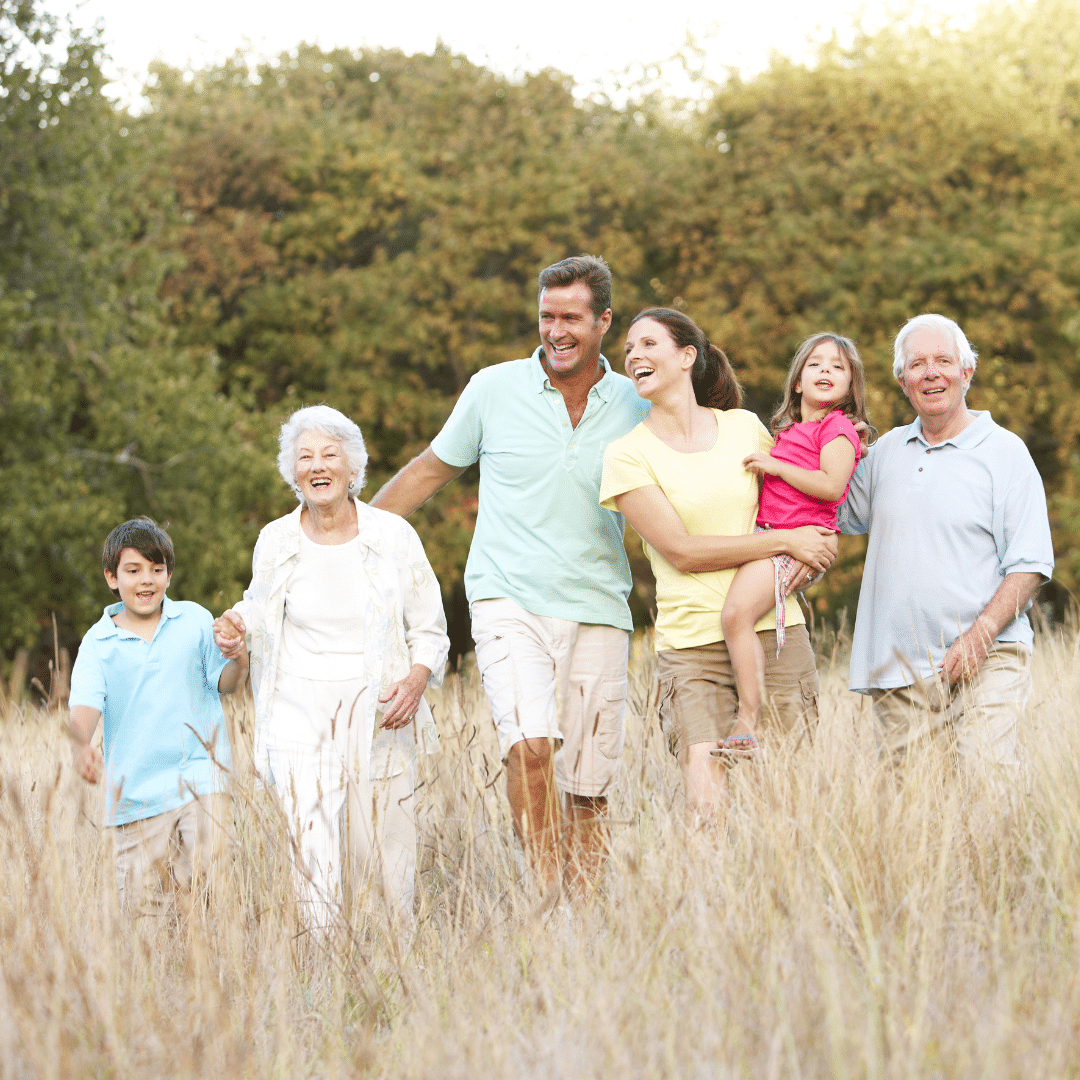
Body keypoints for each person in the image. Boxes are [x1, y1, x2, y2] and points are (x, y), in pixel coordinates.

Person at [370, 255, 649, 893]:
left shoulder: (637, 400)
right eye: (547, 316)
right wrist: (346, 536)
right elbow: (429, 471)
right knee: (528, 748)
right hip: (507, 599)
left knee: (588, 783)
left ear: (604, 321)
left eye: (572, 318)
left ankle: (584, 913)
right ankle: (547, 897)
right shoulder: (493, 388)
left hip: (600, 604)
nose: (556, 331)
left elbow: (696, 449)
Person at [213, 405, 449, 929]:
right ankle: (321, 966)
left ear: (352, 467)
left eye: (329, 454)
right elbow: (260, 603)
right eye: (304, 457)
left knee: (385, 856)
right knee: (312, 855)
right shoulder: (276, 539)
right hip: (299, 714)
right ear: (292, 472)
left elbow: (430, 630)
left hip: (379, 713)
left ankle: (395, 962)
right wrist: (235, 623)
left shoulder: (392, 536)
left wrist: (415, 681)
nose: (317, 465)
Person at [599, 308, 838, 818]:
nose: (633, 355)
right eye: (628, 351)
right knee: (708, 814)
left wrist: (815, 548)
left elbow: (795, 509)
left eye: (647, 344)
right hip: (692, 649)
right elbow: (682, 551)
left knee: (790, 811)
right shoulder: (626, 455)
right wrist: (786, 543)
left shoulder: (745, 429)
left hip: (777, 634)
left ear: (687, 356)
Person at [838, 313, 1054, 783]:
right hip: (899, 671)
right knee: (914, 814)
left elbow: (1030, 565)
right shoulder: (884, 454)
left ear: (967, 372)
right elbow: (833, 513)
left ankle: (999, 860)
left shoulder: (1005, 452)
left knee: (988, 778)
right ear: (902, 380)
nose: (931, 373)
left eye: (943, 361)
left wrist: (978, 637)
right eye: (917, 364)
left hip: (989, 653)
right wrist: (830, 441)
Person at [68, 517, 246, 914]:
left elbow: (228, 682)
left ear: (169, 574)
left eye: (157, 569)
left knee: (213, 887)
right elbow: (83, 708)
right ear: (112, 577)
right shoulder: (98, 642)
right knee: (146, 919)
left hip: (201, 780)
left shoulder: (195, 620)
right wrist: (82, 746)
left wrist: (239, 655)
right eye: (134, 570)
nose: (146, 580)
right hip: (134, 797)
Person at [720, 334, 868, 755]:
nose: (826, 370)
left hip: (789, 546)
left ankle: (748, 718)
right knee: (736, 616)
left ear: (850, 387)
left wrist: (777, 467)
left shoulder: (837, 428)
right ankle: (750, 714)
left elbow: (830, 485)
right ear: (798, 382)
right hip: (770, 539)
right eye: (816, 364)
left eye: (838, 367)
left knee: (735, 617)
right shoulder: (791, 432)